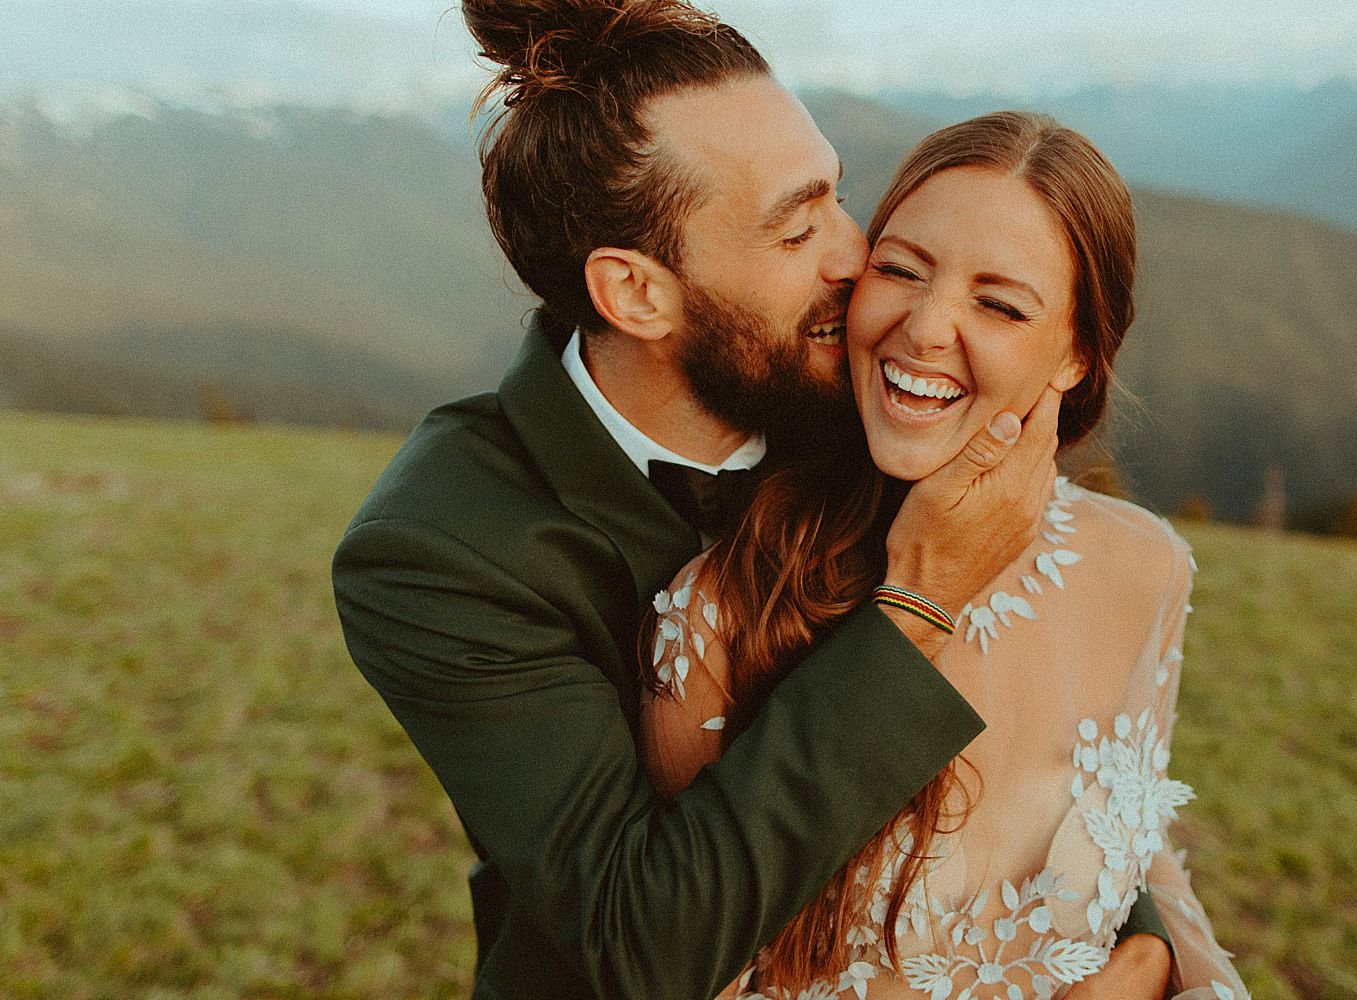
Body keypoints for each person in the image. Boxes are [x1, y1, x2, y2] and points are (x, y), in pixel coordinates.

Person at [332, 3, 1170, 998]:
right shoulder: (440, 551)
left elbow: (1048, 710)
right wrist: (915, 608)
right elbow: (638, 940)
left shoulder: (873, 406)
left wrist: (1139, 945)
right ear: (637, 293)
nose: (855, 256)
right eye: (796, 226)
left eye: (835, 197)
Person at [641, 112, 1250, 999]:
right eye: (899, 270)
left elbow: (1134, 845)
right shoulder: (722, 613)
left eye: (999, 304)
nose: (926, 329)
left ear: (1077, 354)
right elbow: (684, 968)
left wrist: (1157, 964)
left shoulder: (1144, 567)